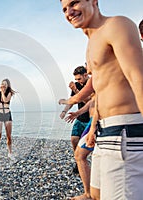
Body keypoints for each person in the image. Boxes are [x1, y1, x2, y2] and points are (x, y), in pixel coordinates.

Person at [60, 0, 143, 199]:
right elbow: (100, 90)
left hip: (125, 131)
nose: (69, 12)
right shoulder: (91, 43)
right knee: (96, 195)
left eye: (74, 3)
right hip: (104, 132)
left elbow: (137, 78)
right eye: (64, 9)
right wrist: (94, 126)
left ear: (93, 1)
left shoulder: (116, 25)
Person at [60, 66, 90, 173]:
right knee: (74, 139)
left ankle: (85, 160)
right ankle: (78, 161)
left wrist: (75, 90)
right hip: (80, 118)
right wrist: (64, 111)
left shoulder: (90, 84)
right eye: (76, 79)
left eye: (79, 79)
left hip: (90, 118)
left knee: (92, 143)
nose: (77, 81)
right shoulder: (77, 85)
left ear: (85, 75)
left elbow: (88, 101)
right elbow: (73, 101)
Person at [0, 79, 16, 161]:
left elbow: (5, 100)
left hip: (7, 114)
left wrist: (2, 91)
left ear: (8, 85)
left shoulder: (9, 93)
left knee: (9, 136)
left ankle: (10, 153)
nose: (3, 85)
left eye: (5, 84)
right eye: (2, 84)